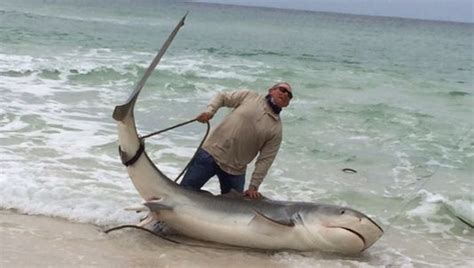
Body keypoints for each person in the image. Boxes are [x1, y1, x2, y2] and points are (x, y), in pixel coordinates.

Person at [180, 82, 293, 199]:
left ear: (287, 104)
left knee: (232, 211)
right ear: (271, 90)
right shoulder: (250, 96)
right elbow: (223, 97)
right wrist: (210, 111)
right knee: (183, 194)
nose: (285, 94)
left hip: (235, 170)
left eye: (289, 95)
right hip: (210, 154)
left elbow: (266, 159)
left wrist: (254, 186)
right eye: (282, 90)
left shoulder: (277, 130)